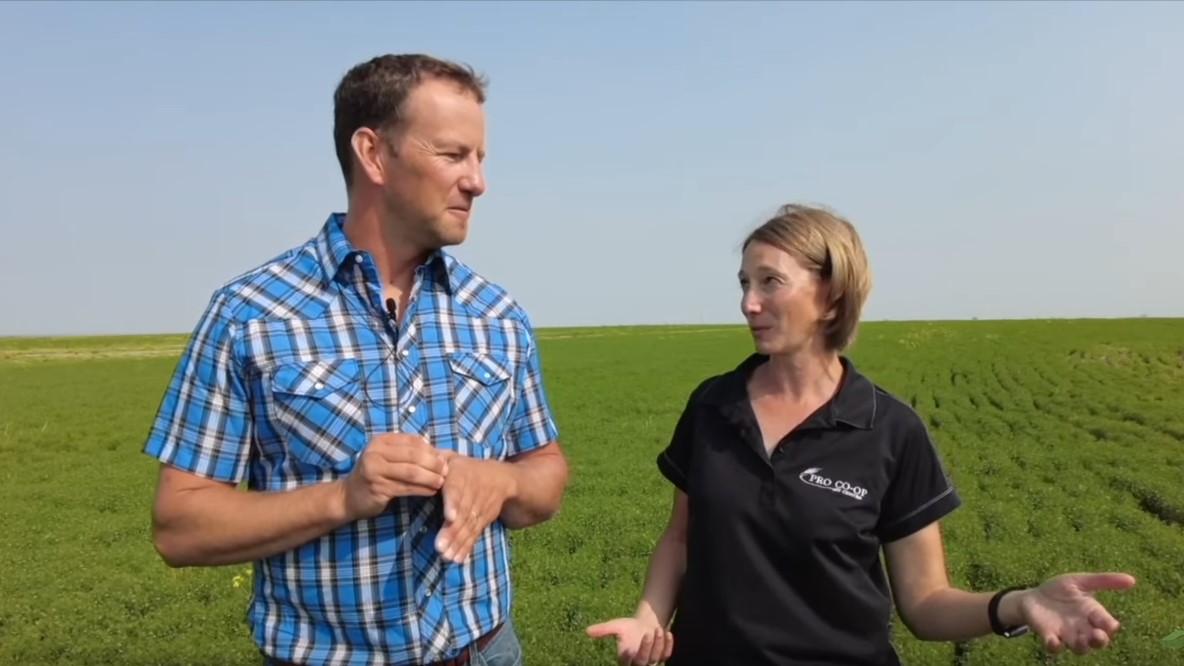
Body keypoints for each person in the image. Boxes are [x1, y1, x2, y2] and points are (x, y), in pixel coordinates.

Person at [143, 53, 568, 666]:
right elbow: (179, 527)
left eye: (480, 158)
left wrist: (503, 481)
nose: (478, 181)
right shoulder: (250, 314)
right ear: (372, 154)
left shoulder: (496, 314)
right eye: (453, 155)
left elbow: (546, 472)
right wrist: (344, 497)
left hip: (486, 651)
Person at [586, 203, 1136, 666]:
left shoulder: (891, 430)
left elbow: (926, 603)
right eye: (745, 283)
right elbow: (680, 539)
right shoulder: (713, 404)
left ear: (832, 293)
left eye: (770, 282)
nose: (748, 303)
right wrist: (649, 617)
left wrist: (1019, 603)